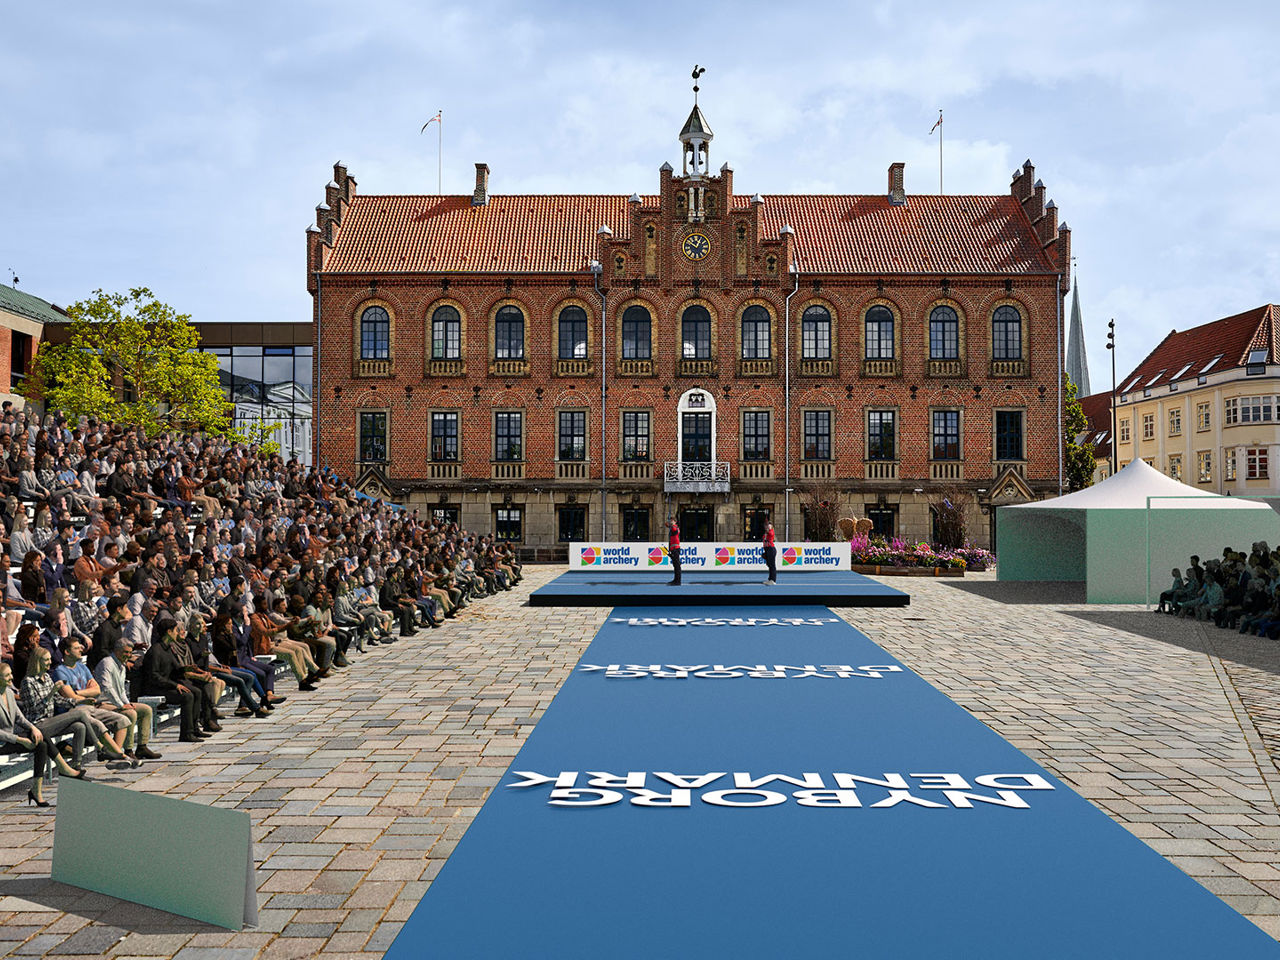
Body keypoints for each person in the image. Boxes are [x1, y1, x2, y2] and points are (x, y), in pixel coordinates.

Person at [0, 661, 85, 807]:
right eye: (7, 675)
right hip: (3, 742)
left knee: (42, 743)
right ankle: (63, 768)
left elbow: (20, 718)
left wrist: (33, 728)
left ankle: (36, 790)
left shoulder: (8, 693)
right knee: (42, 738)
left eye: (11, 673)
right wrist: (19, 740)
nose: (11, 677)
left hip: (12, 740)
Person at [93, 633, 162, 760]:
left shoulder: (121, 665)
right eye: (125, 652)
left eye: (130, 653)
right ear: (117, 650)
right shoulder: (107, 663)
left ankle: (142, 747)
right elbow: (107, 688)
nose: (128, 655)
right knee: (131, 713)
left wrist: (126, 703)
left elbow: (121, 690)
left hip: (116, 702)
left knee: (146, 709)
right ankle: (128, 749)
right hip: (102, 703)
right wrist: (122, 705)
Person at [666, 517, 681, 586]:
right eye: (670, 520)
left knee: (677, 565)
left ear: (675, 521)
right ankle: (676, 579)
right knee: (675, 565)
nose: (671, 521)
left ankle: (677, 581)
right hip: (673, 548)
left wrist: (670, 525)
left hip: (675, 548)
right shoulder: (673, 527)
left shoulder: (675, 527)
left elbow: (674, 530)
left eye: (672, 520)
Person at [762, 520, 777, 584]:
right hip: (767, 549)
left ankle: (773, 580)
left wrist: (769, 528)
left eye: (768, 525)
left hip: (771, 549)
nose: (766, 526)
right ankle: (770, 579)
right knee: (769, 565)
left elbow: (771, 534)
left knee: (772, 565)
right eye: (766, 525)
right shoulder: (766, 533)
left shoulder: (771, 532)